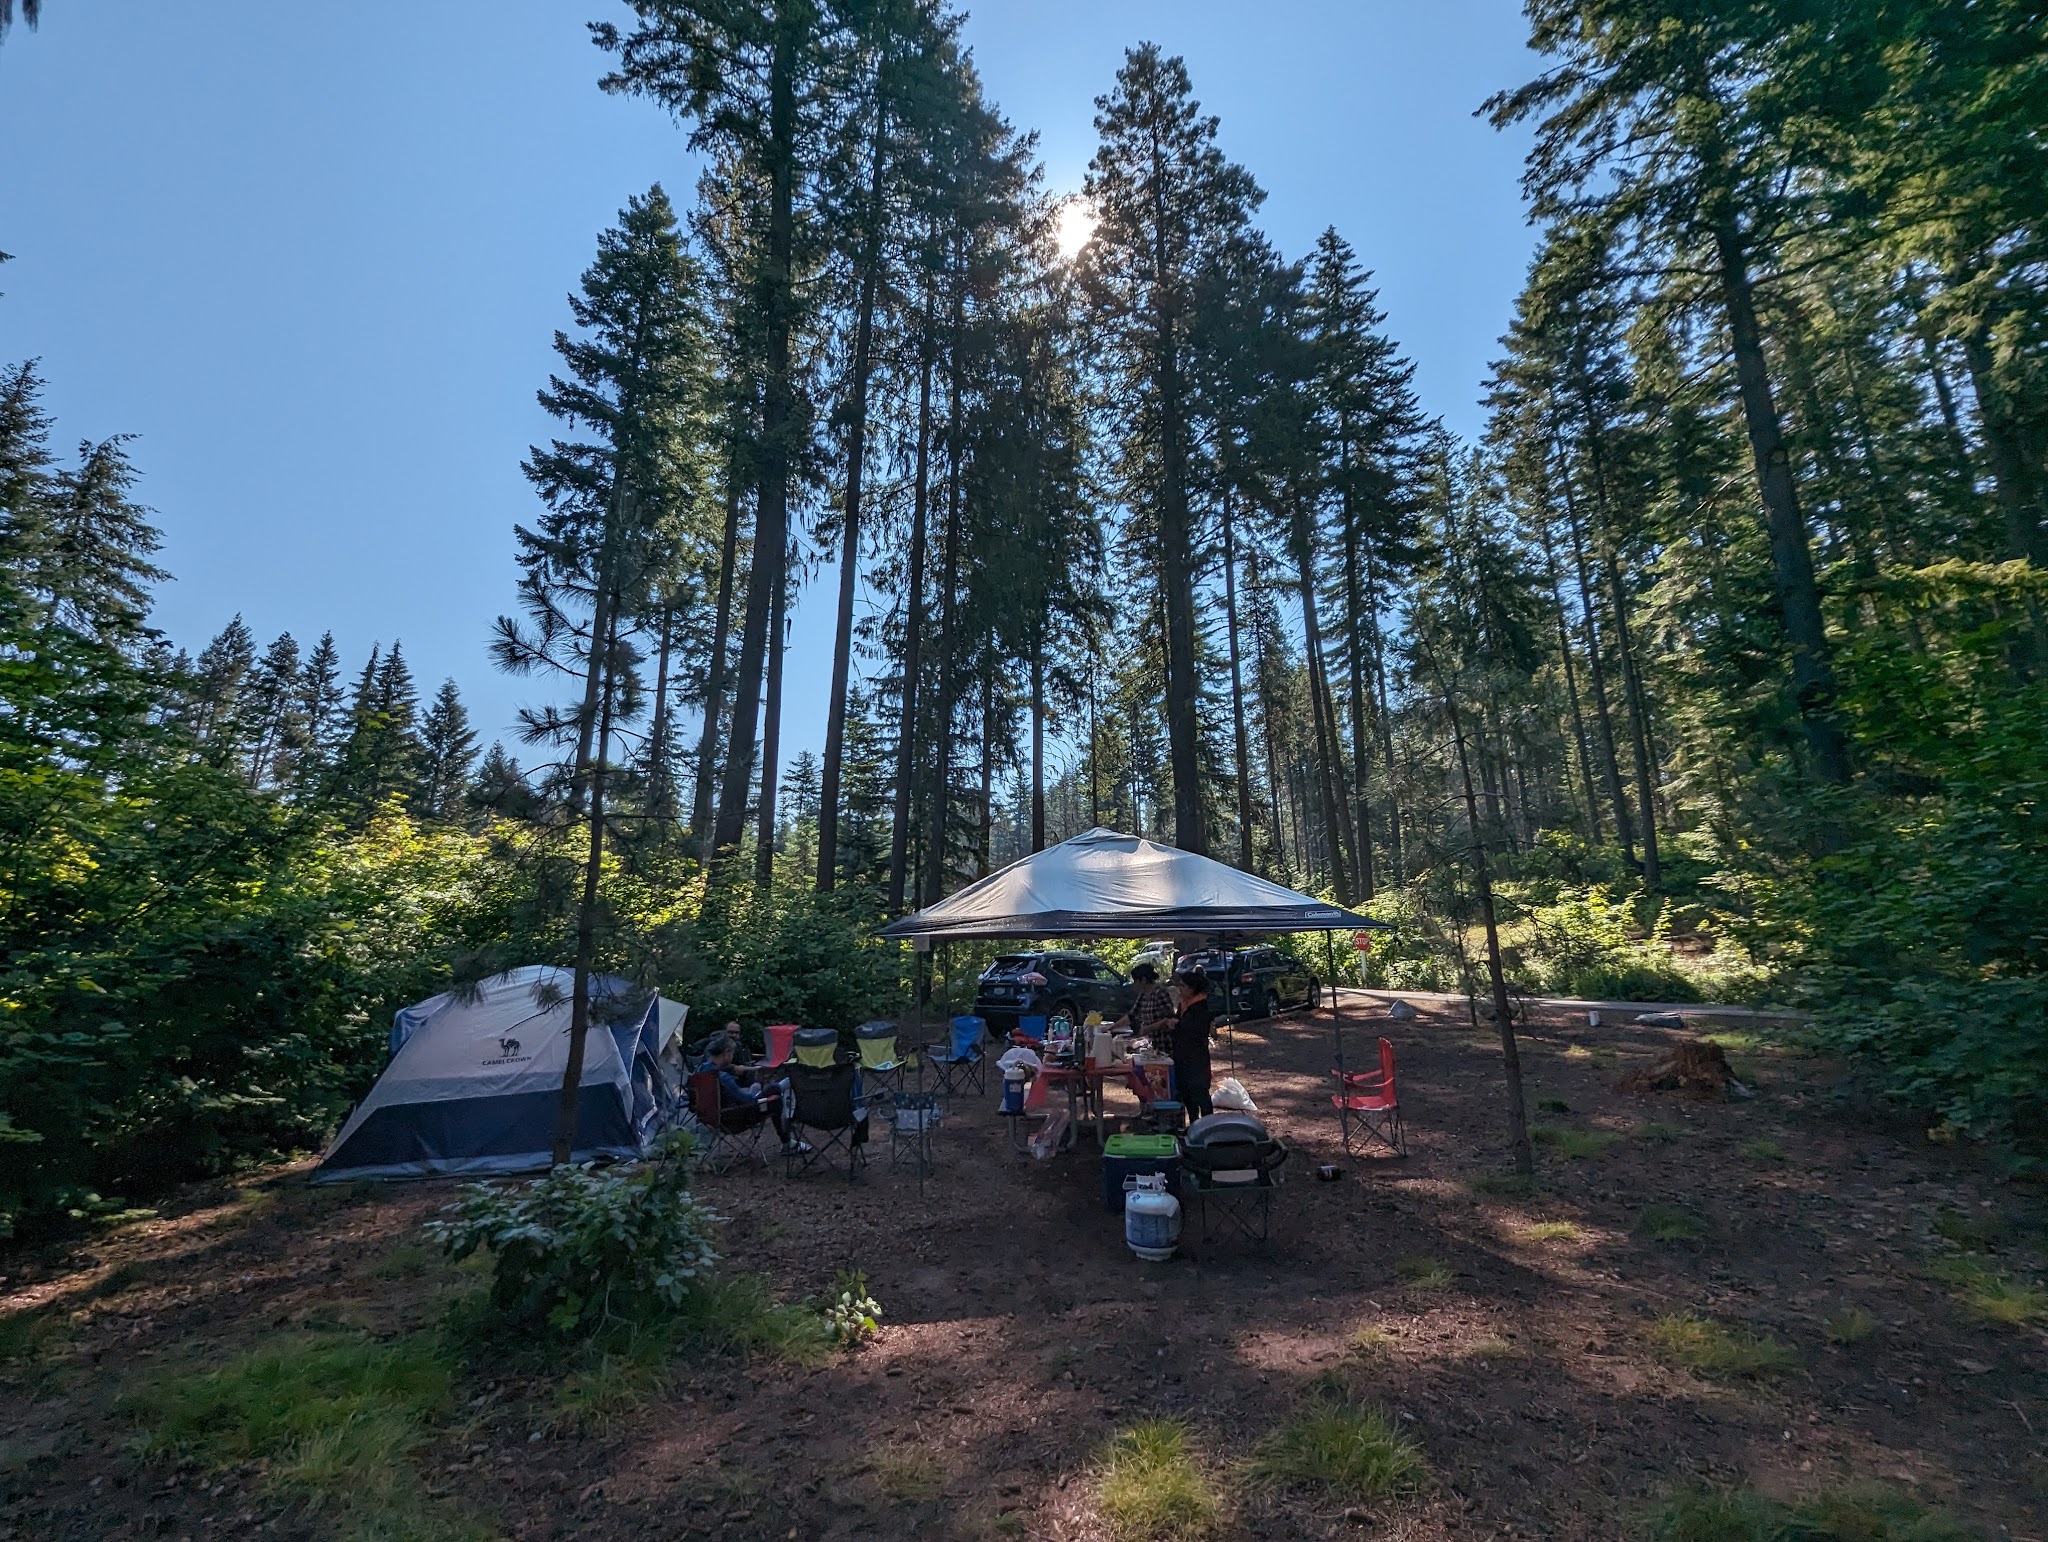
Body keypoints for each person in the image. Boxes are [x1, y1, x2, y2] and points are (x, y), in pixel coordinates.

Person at [704, 1033, 806, 1153]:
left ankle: (788, 1142)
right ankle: (787, 1143)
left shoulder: (701, 1071)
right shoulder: (722, 1077)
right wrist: (755, 1087)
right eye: (732, 1054)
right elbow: (748, 1100)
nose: (732, 1057)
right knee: (774, 1093)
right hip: (736, 1118)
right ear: (727, 1053)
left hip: (715, 1119)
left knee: (772, 1090)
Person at [1169, 968, 1216, 1119]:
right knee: (1186, 1093)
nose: (1180, 989)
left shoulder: (1201, 1006)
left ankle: (1208, 1123)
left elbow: (1195, 1030)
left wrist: (1176, 1025)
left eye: (1183, 986)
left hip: (1196, 1057)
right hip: (1181, 1055)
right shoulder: (1183, 1004)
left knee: (1200, 1092)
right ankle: (1194, 1122)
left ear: (1192, 988)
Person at [1114, 962, 1176, 1041]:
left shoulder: (1161, 994)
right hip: (1149, 1041)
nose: (1134, 984)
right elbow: (1131, 1016)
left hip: (1163, 1041)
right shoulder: (1142, 995)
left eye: (1135, 981)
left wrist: (1148, 1028)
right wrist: (1111, 1027)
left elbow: (1169, 1019)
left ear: (1143, 980)